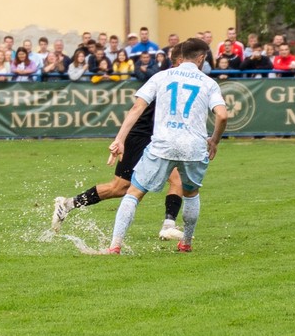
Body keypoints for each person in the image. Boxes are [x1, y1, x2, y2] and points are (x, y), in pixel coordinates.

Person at [52, 45, 192, 243]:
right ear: (180, 61)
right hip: (140, 137)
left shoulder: (186, 80)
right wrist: (120, 140)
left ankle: (168, 226)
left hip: (158, 138)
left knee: (176, 179)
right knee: (120, 187)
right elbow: (136, 108)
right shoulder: (163, 78)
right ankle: (67, 204)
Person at [102, 38, 227, 254]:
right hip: (193, 146)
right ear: (200, 58)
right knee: (191, 193)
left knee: (134, 192)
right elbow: (222, 115)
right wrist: (214, 140)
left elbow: (137, 108)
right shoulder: (209, 83)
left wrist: (120, 139)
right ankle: (186, 243)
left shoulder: (161, 76)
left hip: (163, 144)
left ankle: (115, 245)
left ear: (181, 55)